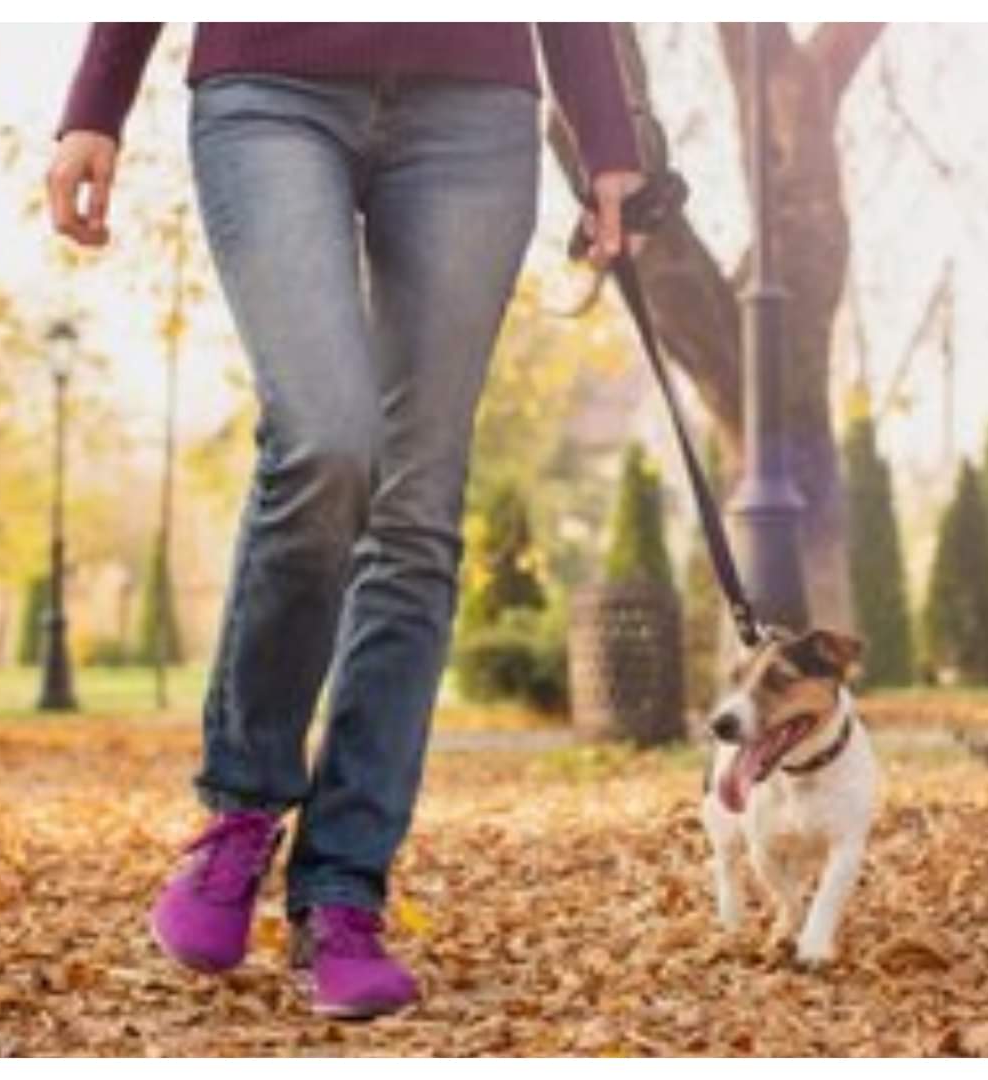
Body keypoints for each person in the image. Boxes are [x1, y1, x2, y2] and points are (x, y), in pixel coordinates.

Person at [46, 23, 642, 1019]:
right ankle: (242, 808)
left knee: (417, 506)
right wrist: (95, 104)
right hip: (271, 84)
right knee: (326, 440)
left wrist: (609, 139)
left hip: (472, 105)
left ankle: (343, 887)